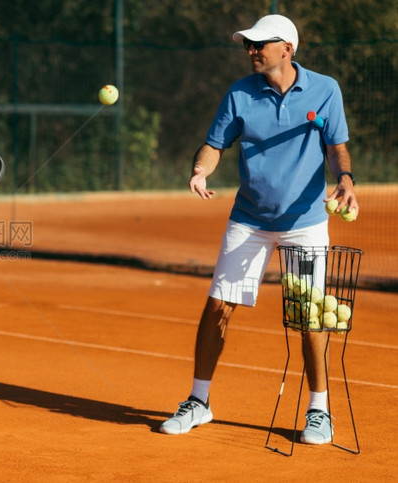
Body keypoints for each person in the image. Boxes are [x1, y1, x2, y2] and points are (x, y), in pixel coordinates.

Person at [158, 15, 358, 445]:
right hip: (249, 219)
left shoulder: (325, 89)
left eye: (258, 44)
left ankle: (320, 411)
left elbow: (336, 147)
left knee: (309, 316)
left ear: (287, 48)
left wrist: (345, 180)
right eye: (247, 45)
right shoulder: (239, 93)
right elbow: (214, 145)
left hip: (306, 223)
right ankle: (199, 401)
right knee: (218, 307)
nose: (250, 50)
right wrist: (200, 170)